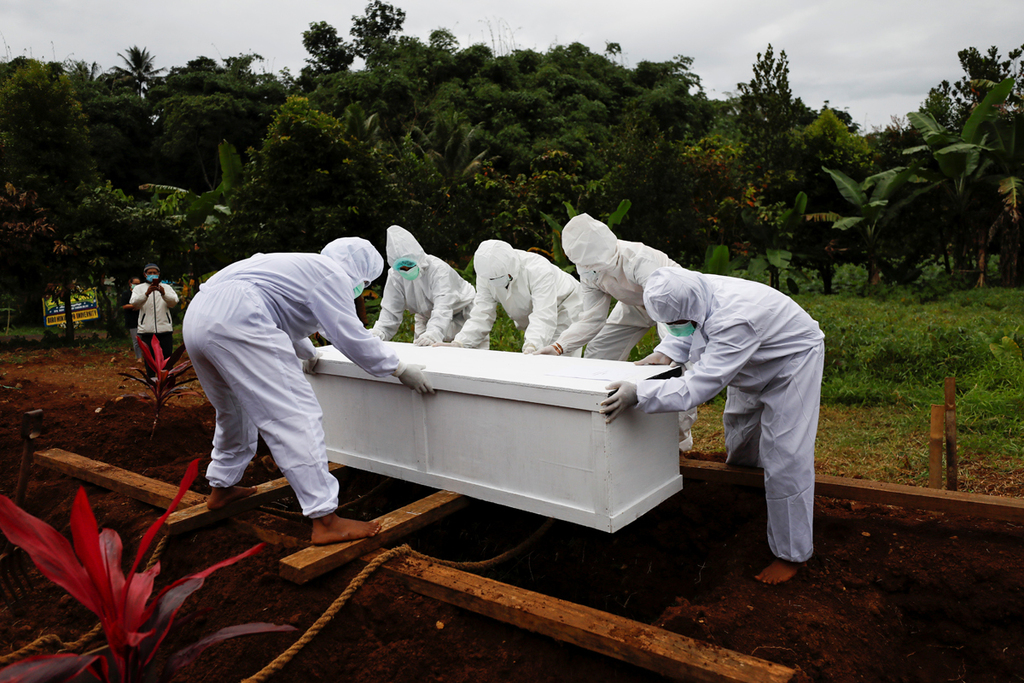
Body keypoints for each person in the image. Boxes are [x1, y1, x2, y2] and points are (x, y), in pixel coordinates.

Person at [182, 238, 435, 545]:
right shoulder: (331, 275)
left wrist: (308, 352)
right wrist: (397, 368)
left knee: (233, 410)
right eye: (365, 282)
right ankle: (325, 519)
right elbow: (348, 334)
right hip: (240, 321)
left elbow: (282, 310)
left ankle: (222, 487)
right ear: (360, 274)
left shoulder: (296, 265)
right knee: (294, 416)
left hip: (198, 318)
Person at [600, 267, 825, 585]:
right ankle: (748, 490)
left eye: (675, 324)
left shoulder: (735, 319)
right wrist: (666, 352)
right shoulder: (689, 290)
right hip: (751, 354)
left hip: (791, 359)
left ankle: (792, 554)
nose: (674, 328)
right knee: (740, 428)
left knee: (786, 453)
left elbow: (699, 386)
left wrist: (640, 393)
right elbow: (691, 329)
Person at [535, 213, 697, 450]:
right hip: (635, 304)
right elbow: (592, 317)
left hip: (673, 303)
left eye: (596, 264)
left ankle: (678, 443)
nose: (591, 269)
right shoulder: (588, 270)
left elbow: (663, 302)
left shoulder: (638, 259)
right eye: (587, 265)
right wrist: (559, 346)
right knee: (598, 351)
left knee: (676, 365)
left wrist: (670, 349)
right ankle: (601, 419)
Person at [438, 239, 582, 354]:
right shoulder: (485, 274)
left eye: (502, 278)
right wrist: (460, 342)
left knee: (557, 359)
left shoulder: (538, 269)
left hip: (565, 304)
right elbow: (481, 313)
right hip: (537, 314)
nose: (497, 283)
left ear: (512, 266)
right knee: (536, 355)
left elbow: (544, 314)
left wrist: (532, 345)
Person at [369, 225, 478, 347]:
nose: (405, 270)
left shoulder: (438, 270)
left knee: (468, 354)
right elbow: (390, 310)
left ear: (417, 258)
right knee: (423, 351)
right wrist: (379, 332)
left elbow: (443, 307)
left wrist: (433, 333)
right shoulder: (395, 275)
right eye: (401, 267)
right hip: (426, 315)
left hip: (463, 313)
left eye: (409, 265)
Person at [131, 263, 178, 375]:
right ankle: (152, 381)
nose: (152, 275)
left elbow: (174, 302)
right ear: (145, 274)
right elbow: (134, 303)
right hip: (147, 331)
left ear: (159, 274)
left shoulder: (166, 288)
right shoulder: (139, 288)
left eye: (154, 273)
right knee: (150, 359)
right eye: (150, 273)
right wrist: (146, 294)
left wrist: (163, 293)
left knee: (167, 358)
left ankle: (166, 381)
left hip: (165, 330)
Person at [120, 277, 143, 360]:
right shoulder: (126, 294)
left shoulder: (142, 293)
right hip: (132, 320)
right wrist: (136, 306)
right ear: (130, 283)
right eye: (135, 284)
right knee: (136, 340)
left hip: (143, 320)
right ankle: (139, 357)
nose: (136, 285)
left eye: (138, 284)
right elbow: (124, 306)